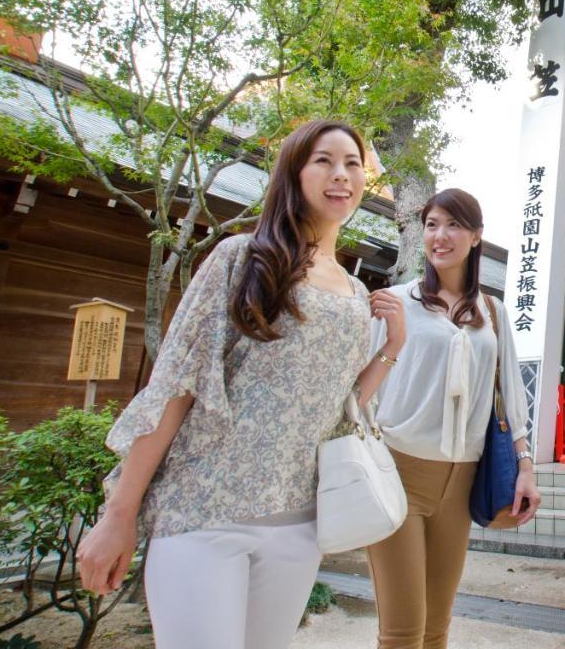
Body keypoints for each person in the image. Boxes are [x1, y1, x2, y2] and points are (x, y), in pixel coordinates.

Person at [75, 119, 407, 649]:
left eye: (352, 164)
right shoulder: (244, 257)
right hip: (204, 515)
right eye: (324, 160)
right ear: (294, 173)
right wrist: (120, 513)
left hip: (298, 528)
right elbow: (176, 386)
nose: (341, 174)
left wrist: (390, 347)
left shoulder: (353, 290)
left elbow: (339, 411)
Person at [364, 188, 539, 649]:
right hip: (398, 471)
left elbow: (509, 396)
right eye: (432, 225)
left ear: (477, 236)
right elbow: (360, 390)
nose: (440, 236)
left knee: (437, 628)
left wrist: (525, 466)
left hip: (462, 481)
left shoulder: (494, 313)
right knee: (402, 631)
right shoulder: (394, 302)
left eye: (454, 225)